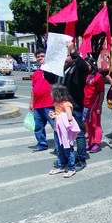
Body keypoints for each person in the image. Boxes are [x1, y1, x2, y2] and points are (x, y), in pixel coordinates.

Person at [45, 43, 89, 171]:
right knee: (61, 134)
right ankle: (64, 158)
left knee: (78, 133)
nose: (66, 58)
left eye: (68, 56)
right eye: (65, 55)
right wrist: (49, 61)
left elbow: (84, 67)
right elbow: (49, 77)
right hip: (60, 108)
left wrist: (73, 52)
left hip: (73, 107)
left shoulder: (77, 69)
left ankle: (80, 159)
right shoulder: (61, 70)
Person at [48, 84, 80, 178]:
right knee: (59, 149)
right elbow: (59, 115)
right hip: (57, 129)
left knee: (68, 149)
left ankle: (71, 168)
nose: (50, 94)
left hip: (65, 131)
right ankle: (61, 166)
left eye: (52, 92)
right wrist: (54, 114)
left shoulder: (66, 104)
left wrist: (56, 116)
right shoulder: (56, 103)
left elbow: (69, 117)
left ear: (57, 93)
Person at [29, 48, 56, 152]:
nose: (40, 58)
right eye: (38, 57)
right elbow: (33, 89)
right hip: (37, 105)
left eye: (42, 56)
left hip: (50, 104)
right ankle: (41, 144)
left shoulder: (51, 71)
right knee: (38, 127)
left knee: (55, 126)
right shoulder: (36, 73)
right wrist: (31, 103)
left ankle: (60, 146)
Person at [83, 57, 105, 153]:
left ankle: (97, 142)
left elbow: (101, 92)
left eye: (87, 64)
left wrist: (99, 106)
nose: (86, 67)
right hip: (85, 104)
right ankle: (91, 142)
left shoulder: (98, 77)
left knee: (95, 124)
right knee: (88, 124)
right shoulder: (83, 76)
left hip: (94, 104)